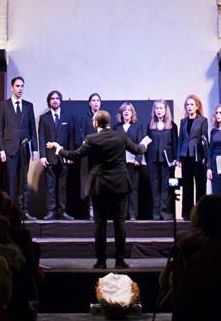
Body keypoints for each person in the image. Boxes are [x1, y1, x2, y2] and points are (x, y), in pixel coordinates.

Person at [47, 110, 151, 269]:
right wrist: (145, 143)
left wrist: (59, 148)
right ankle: (120, 260)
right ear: (108, 123)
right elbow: (138, 150)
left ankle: (101, 261)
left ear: (95, 123)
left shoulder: (91, 139)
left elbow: (74, 155)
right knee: (119, 222)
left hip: (99, 185)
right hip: (119, 184)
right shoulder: (120, 136)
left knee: (100, 223)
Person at [0, 76, 38, 220]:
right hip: (9, 148)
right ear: (12, 87)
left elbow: (33, 128)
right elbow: (0, 129)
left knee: (23, 181)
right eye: (17, 86)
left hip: (25, 148)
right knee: (11, 180)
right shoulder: (3, 105)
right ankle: (10, 211)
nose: (20, 89)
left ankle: (23, 211)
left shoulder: (28, 105)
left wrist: (35, 149)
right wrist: (1, 149)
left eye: (22, 86)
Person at [38, 90, 75, 220]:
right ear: (49, 101)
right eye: (52, 98)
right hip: (49, 158)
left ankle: (62, 211)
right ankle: (51, 211)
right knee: (50, 186)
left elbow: (71, 137)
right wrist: (42, 156)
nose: (55, 100)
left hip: (64, 157)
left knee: (63, 186)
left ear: (60, 100)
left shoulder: (68, 116)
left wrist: (70, 156)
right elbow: (41, 137)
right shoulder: (44, 118)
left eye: (57, 98)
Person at [177, 94, 209, 220]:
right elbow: (180, 139)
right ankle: (187, 213)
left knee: (200, 185)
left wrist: (205, 156)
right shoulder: (183, 121)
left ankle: (200, 213)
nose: (189, 107)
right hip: (185, 156)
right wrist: (179, 158)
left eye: (192, 105)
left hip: (198, 156)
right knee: (187, 185)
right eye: (188, 105)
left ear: (197, 106)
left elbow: (205, 139)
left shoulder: (203, 120)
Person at [146, 100, 178, 220]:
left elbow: (175, 143)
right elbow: (147, 143)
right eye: (157, 108)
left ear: (165, 110)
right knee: (155, 186)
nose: (159, 110)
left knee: (166, 187)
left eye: (161, 108)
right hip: (153, 159)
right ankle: (156, 214)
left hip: (167, 160)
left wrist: (176, 159)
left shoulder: (172, 125)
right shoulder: (150, 125)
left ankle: (166, 214)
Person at [113, 102, 145, 220]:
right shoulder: (116, 127)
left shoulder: (137, 126)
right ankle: (122, 214)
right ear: (121, 113)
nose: (126, 112)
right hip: (119, 163)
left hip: (133, 163)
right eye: (124, 110)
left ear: (132, 113)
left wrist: (138, 159)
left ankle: (132, 214)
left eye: (129, 110)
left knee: (133, 188)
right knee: (120, 189)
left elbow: (141, 144)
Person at [74, 93, 102, 219]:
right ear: (89, 103)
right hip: (87, 155)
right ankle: (88, 210)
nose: (96, 103)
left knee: (100, 184)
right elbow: (81, 137)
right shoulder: (84, 119)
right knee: (87, 183)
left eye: (98, 100)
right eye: (93, 100)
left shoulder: (104, 118)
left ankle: (99, 210)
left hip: (101, 156)